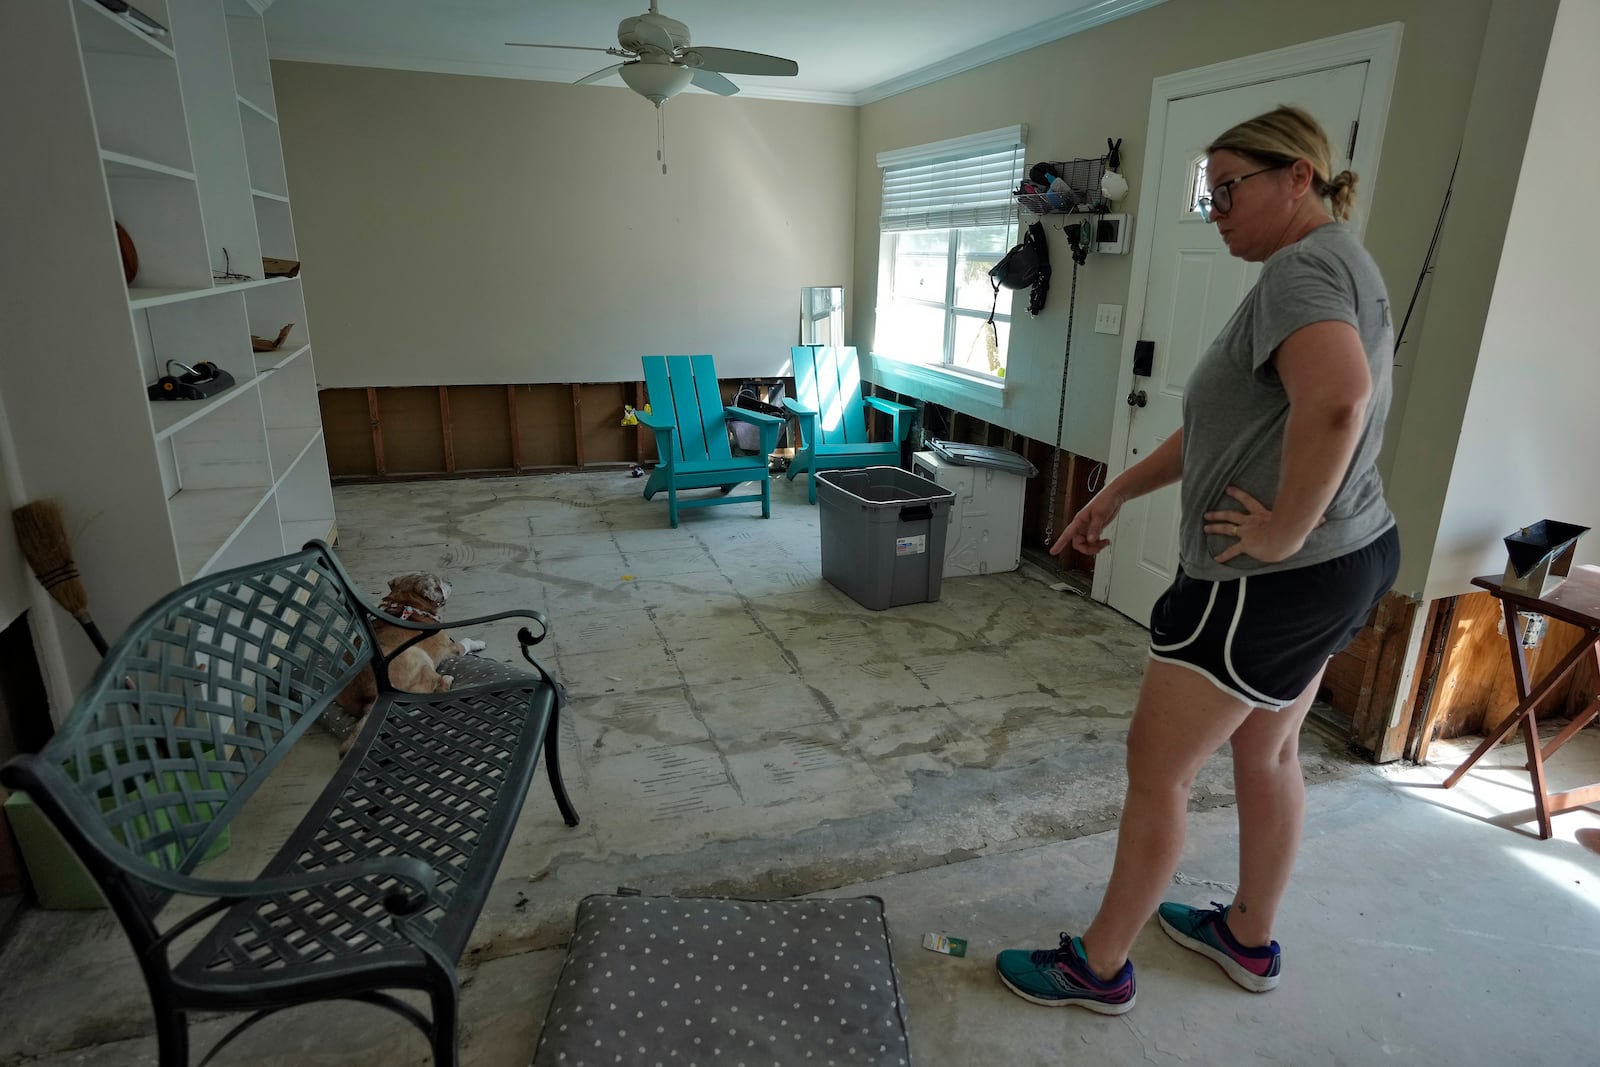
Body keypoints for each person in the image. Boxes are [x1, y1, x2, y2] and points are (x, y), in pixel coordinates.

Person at [995, 105, 1400, 1012]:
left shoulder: (1303, 268)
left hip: (1264, 583)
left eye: (1229, 190)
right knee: (1269, 750)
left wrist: (1284, 531)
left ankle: (1097, 967)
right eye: (1207, 195)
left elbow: (1339, 402)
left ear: (1298, 176)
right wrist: (1120, 489)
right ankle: (1247, 937)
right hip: (1354, 555)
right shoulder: (1340, 263)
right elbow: (1236, 423)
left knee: (1158, 773)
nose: (1215, 210)